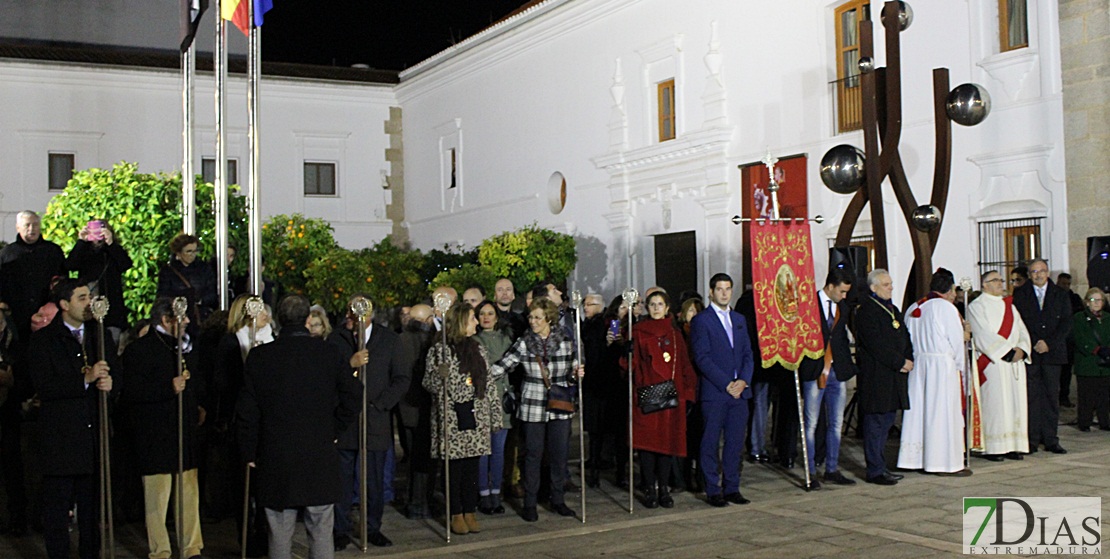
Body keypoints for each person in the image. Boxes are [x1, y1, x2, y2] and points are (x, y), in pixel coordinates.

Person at [236, 295, 361, 559]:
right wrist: (335, 430)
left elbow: (248, 411)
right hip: (318, 452)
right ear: (307, 319)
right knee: (321, 529)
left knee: (279, 531)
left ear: (279, 320)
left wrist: (248, 451)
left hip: (276, 453)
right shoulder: (329, 353)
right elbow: (353, 395)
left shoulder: (260, 357)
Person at [28, 279, 114, 559]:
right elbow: (46, 385)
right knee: (57, 510)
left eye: (89, 297)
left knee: (91, 511)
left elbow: (117, 373)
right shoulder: (44, 341)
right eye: (81, 298)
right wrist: (85, 380)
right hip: (61, 440)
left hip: (92, 439)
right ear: (64, 305)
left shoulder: (99, 335)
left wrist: (111, 384)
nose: (89, 303)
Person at [119, 297, 206, 559]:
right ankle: (160, 549)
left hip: (184, 430)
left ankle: (191, 547)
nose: (188, 321)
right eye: (183, 317)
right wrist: (168, 388)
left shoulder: (185, 347)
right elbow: (132, 392)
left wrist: (197, 405)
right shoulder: (140, 350)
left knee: (189, 494)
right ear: (167, 320)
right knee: (157, 499)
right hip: (156, 434)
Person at [0, 210, 67, 535]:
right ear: (17, 228)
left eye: (35, 225)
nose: (31, 230)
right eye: (26, 225)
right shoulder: (8, 256)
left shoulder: (52, 252)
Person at [488, 298, 584, 522]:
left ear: (549, 318)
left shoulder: (567, 341)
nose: (532, 321)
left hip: (559, 402)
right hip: (533, 402)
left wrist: (575, 374)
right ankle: (530, 502)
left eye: (537, 317)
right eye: (531, 317)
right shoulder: (525, 342)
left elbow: (573, 369)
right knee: (532, 454)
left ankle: (557, 499)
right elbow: (505, 365)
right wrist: (479, 375)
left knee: (559, 454)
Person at [329, 296, 410, 550]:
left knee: (373, 481)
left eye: (356, 314)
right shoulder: (336, 340)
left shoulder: (388, 340)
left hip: (375, 422)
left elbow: (400, 378)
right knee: (341, 481)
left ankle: (372, 527)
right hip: (345, 422)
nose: (350, 318)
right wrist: (350, 365)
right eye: (349, 312)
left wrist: (381, 404)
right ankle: (340, 529)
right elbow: (328, 375)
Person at [424, 302, 502, 534]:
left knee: (472, 468)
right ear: (460, 322)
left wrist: (494, 415)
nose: (477, 322)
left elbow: (488, 385)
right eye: (472, 319)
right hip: (452, 419)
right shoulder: (439, 350)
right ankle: (455, 512)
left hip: (475, 416)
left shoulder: (478, 349)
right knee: (454, 469)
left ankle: (470, 510)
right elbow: (428, 383)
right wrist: (440, 376)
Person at [897, 269, 970, 476]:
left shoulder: (915, 307)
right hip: (941, 367)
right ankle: (942, 462)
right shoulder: (945, 308)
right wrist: (960, 366)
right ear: (949, 289)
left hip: (920, 365)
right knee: (941, 414)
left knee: (921, 412)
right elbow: (956, 342)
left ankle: (916, 459)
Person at [690, 273, 754, 506]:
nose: (725, 293)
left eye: (728, 288)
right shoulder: (702, 321)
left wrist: (743, 381)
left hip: (739, 393)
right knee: (710, 442)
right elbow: (702, 357)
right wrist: (726, 383)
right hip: (716, 393)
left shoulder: (739, 319)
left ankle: (732, 487)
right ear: (711, 292)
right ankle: (712, 489)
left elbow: (748, 353)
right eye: (720, 289)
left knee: (735, 443)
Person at [628, 291, 696, 508]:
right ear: (647, 308)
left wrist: (688, 393)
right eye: (652, 304)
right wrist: (625, 353)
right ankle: (650, 488)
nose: (656, 308)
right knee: (648, 445)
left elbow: (685, 365)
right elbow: (630, 365)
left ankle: (664, 488)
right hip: (647, 394)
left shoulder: (675, 335)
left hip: (670, 396)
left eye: (660, 304)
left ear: (667, 308)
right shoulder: (637, 331)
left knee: (666, 443)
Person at [798, 268, 859, 489]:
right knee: (811, 422)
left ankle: (831, 468)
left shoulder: (841, 307)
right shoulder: (808, 304)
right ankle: (811, 470)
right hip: (815, 368)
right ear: (830, 286)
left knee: (836, 423)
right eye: (842, 291)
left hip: (837, 370)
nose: (844, 296)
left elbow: (840, 335)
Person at [854, 269, 913, 486]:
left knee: (887, 422)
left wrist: (909, 357)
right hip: (878, 376)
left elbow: (905, 336)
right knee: (875, 424)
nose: (891, 288)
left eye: (890, 284)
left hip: (895, 377)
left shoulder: (893, 310)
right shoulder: (866, 312)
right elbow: (876, 344)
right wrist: (899, 362)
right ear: (873, 288)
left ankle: (882, 465)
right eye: (886, 285)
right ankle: (875, 470)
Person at [967, 270, 1032, 461]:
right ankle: (994, 447)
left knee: (1014, 403)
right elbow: (981, 333)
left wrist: (1021, 348)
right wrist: (1007, 352)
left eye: (1001, 280)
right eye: (995, 280)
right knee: (995, 404)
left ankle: (1013, 445)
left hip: (1014, 364)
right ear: (985, 284)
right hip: (994, 362)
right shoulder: (976, 306)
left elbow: (1021, 329)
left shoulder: (1009, 305)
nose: (1000, 283)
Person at [1011, 259, 1071, 454]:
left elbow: (1066, 323)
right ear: (1029, 274)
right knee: (1031, 397)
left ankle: (1051, 439)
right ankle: (1032, 439)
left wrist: (1049, 343)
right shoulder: (1020, 294)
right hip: (1032, 353)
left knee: (1051, 397)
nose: (1038, 275)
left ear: (1048, 273)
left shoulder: (1061, 294)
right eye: (1034, 271)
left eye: (1042, 271)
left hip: (1053, 354)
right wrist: (1034, 342)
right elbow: (1019, 322)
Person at [473, 300, 513, 515]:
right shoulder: (473, 340)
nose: (486, 317)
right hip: (481, 401)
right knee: (483, 452)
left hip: (502, 401)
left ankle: (496, 493)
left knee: (498, 451)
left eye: (490, 313)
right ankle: (483, 494)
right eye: (482, 313)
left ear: (496, 317)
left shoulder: (506, 339)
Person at [396, 303, 436, 519]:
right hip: (424, 407)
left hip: (406, 409)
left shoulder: (400, 340)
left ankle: (414, 502)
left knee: (414, 458)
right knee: (425, 459)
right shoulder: (430, 339)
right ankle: (421, 502)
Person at [65, 219, 133, 339]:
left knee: (111, 343)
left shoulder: (112, 251)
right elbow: (70, 266)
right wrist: (81, 241)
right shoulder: (84, 251)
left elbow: (125, 264)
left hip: (111, 309)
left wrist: (111, 243)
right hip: (88, 306)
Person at [156, 233, 218, 333]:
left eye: (195, 251)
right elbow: (163, 296)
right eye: (189, 251)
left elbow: (212, 293)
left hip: (200, 317)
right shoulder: (168, 271)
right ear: (179, 253)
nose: (192, 255)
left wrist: (200, 301)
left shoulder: (204, 269)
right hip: (178, 316)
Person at [1072, 288, 1110, 431]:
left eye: (1100, 300)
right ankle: (1084, 422)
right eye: (1093, 300)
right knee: (1086, 395)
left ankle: (1104, 421)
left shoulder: (1107, 317)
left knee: (1104, 396)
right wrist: (1096, 349)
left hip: (1105, 364)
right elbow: (1079, 337)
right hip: (1087, 362)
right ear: (1087, 302)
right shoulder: (1079, 318)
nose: (1097, 303)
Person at [1057, 273, 1084, 407]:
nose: (1066, 286)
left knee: (1067, 372)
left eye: (1068, 284)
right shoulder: (1054, 296)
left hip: (1069, 341)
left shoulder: (1074, 298)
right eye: (1063, 283)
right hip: (1057, 340)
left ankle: (1064, 396)